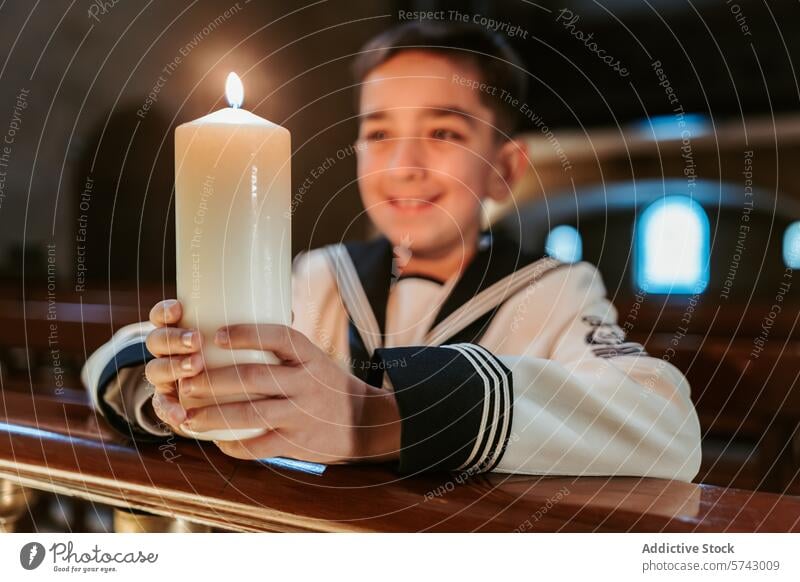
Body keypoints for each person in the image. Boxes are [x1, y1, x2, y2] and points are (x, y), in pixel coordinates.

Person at [82, 21, 701, 480]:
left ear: (504, 169)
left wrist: (375, 416)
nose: (404, 165)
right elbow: (108, 364)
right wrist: (177, 383)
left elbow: (665, 427)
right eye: (379, 133)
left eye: (443, 132)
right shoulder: (321, 277)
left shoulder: (553, 289)